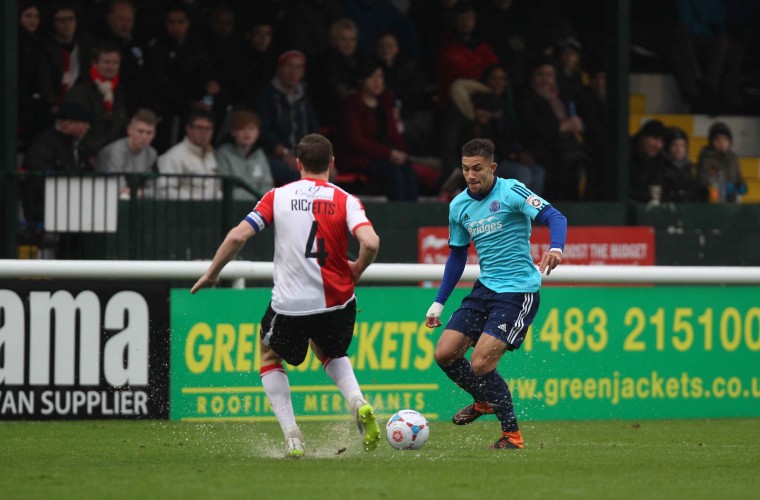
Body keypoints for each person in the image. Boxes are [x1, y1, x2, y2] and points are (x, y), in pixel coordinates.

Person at [191, 133, 382, 459]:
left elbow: (238, 236)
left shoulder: (277, 196)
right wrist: (358, 269)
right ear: (332, 164)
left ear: (298, 164)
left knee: (269, 356)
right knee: (331, 353)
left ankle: (293, 436)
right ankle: (358, 403)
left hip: (290, 305)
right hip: (337, 302)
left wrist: (212, 273)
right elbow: (371, 242)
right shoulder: (346, 199)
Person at [424, 138, 567, 450]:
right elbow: (458, 256)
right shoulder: (459, 205)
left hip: (517, 293)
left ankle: (511, 436)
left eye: (477, 169)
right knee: (445, 353)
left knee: (480, 364)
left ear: (492, 167)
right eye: (465, 169)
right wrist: (439, 301)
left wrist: (556, 247)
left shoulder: (511, 191)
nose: (471, 175)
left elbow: (555, 217)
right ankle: (483, 399)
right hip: (485, 288)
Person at [335, 60, 418, 200]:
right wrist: (389, 153)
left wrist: (402, 153)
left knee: (408, 169)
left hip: (385, 155)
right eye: (372, 77)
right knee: (394, 171)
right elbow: (356, 140)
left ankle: (412, 218)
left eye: (380, 77)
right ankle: (397, 217)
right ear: (361, 80)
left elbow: (393, 133)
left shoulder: (385, 103)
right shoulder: (351, 105)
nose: (377, 81)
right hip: (360, 158)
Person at [256, 50, 318, 187]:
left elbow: (313, 129)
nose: (293, 71)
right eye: (289, 66)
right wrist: (284, 153)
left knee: (326, 174)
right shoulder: (268, 96)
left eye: (298, 67)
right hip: (274, 155)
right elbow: (263, 131)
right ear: (280, 69)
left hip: (302, 155)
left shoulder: (304, 98)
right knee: (298, 175)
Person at [63, 41, 130, 156]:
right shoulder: (80, 91)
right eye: (106, 62)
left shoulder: (122, 91)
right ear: (94, 63)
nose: (111, 67)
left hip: (113, 156)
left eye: (115, 63)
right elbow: (74, 130)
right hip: (86, 157)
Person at [155, 109, 220, 200]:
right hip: (185, 211)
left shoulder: (212, 155)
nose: (204, 133)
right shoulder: (174, 155)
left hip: (212, 209)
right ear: (189, 129)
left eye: (208, 129)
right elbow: (165, 191)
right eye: (199, 128)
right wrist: (194, 201)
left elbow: (216, 188)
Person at [95, 108, 159, 198]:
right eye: (140, 131)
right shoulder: (115, 151)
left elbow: (154, 187)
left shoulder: (152, 153)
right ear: (129, 130)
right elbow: (117, 187)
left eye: (149, 133)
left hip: (136, 197)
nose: (144, 137)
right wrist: (137, 192)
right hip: (104, 197)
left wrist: (141, 192)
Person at [215, 110, 274, 200]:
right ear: (233, 132)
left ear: (257, 133)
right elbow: (224, 185)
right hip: (233, 205)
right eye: (242, 129)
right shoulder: (223, 153)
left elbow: (267, 183)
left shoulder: (259, 154)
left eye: (251, 129)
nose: (247, 133)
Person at [696, 122, 748, 203]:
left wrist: (741, 185)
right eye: (717, 139)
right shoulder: (706, 158)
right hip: (712, 203)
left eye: (725, 139)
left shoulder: (732, 158)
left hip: (731, 202)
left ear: (730, 141)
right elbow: (703, 180)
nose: (721, 142)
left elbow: (738, 176)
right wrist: (722, 187)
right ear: (711, 141)